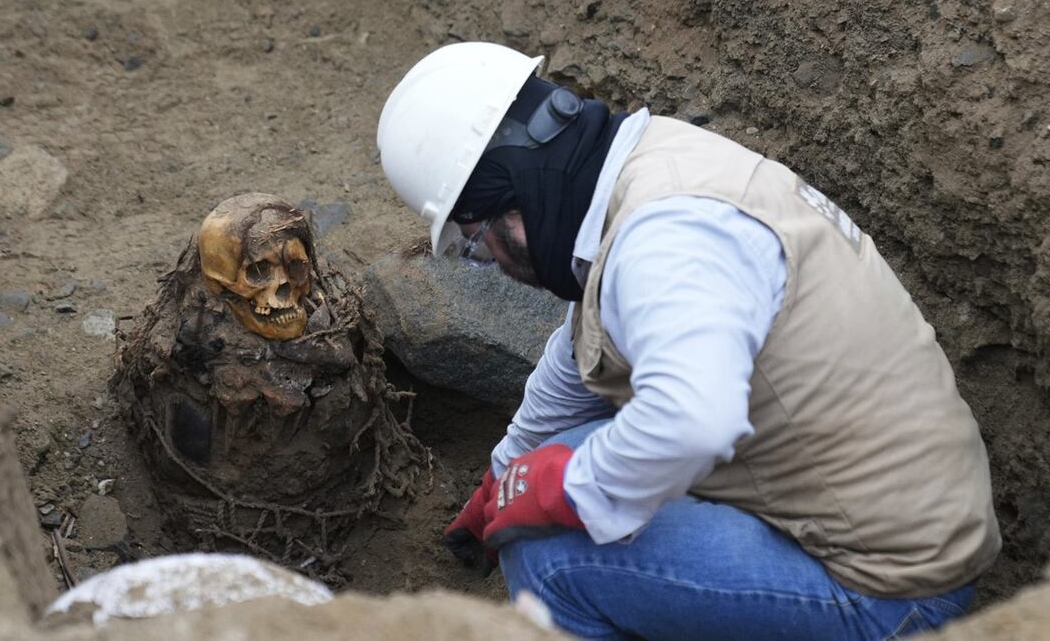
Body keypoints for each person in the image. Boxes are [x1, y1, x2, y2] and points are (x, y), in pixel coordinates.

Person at [376, 42, 1001, 640]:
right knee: (566, 455)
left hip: (887, 590)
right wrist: (505, 471)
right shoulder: (647, 170)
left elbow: (694, 420)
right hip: (881, 506)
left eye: (476, 245)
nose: (491, 263)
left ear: (514, 196)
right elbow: (580, 349)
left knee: (549, 557)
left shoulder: (667, 239)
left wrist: (560, 491)